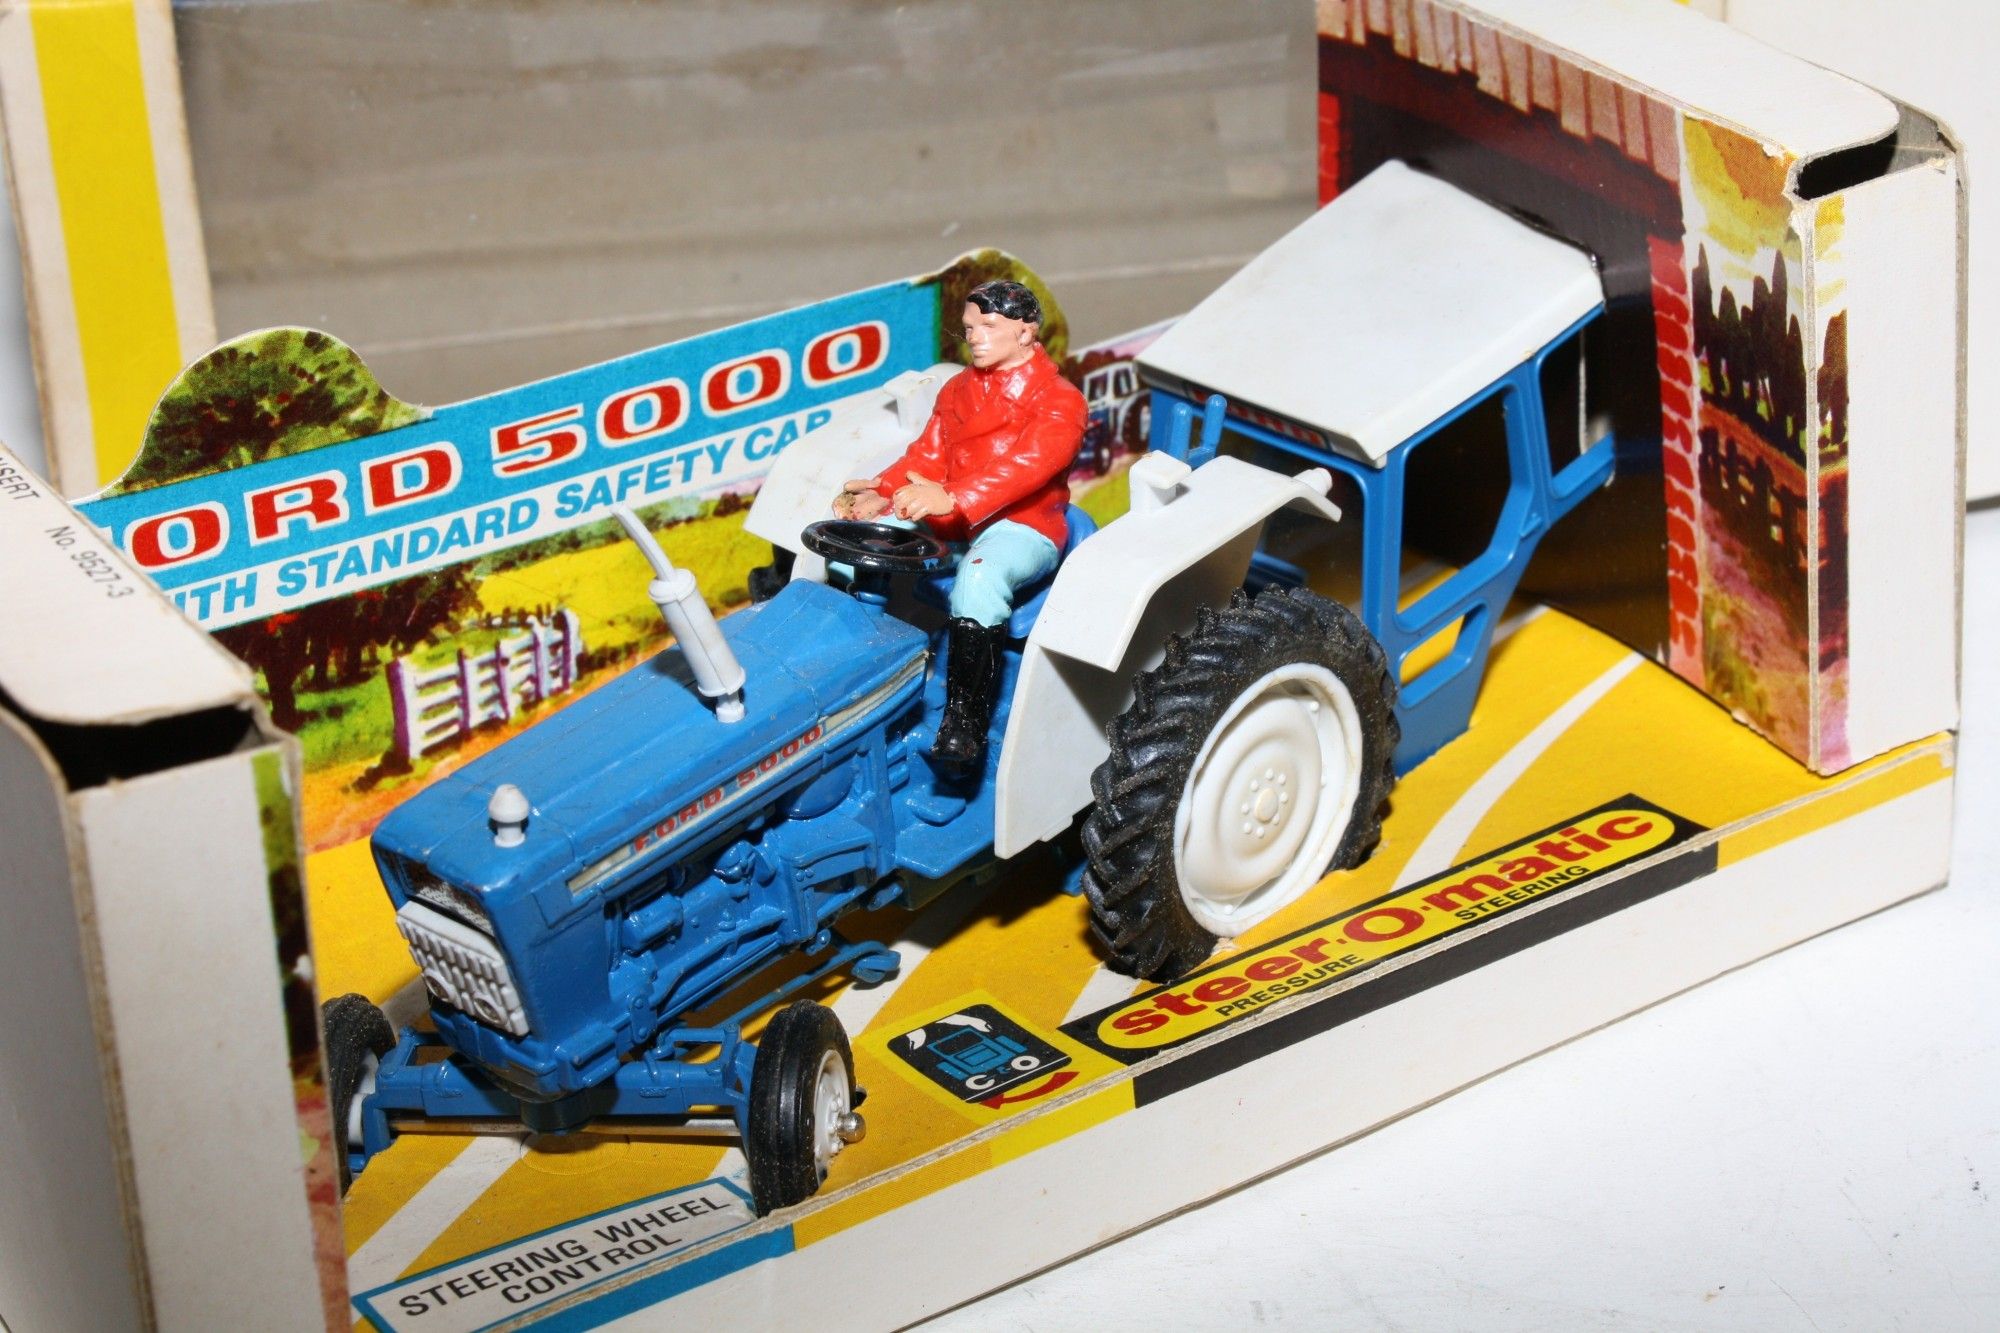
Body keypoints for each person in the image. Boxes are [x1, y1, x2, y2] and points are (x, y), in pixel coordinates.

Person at [833, 278, 1086, 768]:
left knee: (980, 578)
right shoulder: (957, 390)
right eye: (969, 328)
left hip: (1023, 523)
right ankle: (859, 673)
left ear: (1026, 332)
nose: (975, 337)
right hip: (951, 518)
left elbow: (1026, 468)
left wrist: (951, 496)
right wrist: (883, 491)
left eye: (989, 326)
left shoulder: (1059, 400)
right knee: (860, 548)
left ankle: (964, 725)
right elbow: (926, 456)